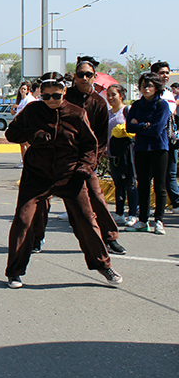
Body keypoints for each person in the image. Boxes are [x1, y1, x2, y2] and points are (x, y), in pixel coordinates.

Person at [4, 72, 121, 288]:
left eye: (55, 96)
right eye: (45, 96)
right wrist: (33, 134)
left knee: (86, 220)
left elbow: (89, 145)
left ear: (64, 92)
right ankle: (14, 272)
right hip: (36, 175)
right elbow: (11, 134)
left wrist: (85, 166)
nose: (50, 100)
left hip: (69, 175)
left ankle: (104, 266)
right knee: (23, 220)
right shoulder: (31, 111)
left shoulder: (77, 114)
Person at [52, 57, 125, 255]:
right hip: (63, 159)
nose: (84, 78)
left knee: (97, 198)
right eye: (80, 74)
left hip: (87, 160)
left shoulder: (99, 103)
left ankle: (110, 237)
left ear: (94, 77)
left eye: (88, 74)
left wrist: (91, 161)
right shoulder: (64, 98)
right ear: (74, 77)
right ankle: (36, 239)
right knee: (44, 200)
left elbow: (101, 138)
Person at [126, 72, 170, 235]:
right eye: (144, 85)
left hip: (159, 148)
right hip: (141, 148)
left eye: (150, 85)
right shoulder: (136, 105)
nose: (146, 89)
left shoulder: (162, 105)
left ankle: (159, 220)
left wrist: (140, 125)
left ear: (157, 87)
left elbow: (157, 129)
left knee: (159, 186)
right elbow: (129, 127)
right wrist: (146, 125)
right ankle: (143, 220)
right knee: (142, 185)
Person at [106, 84, 138, 227]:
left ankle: (132, 214)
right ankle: (119, 213)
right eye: (109, 95)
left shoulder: (128, 111)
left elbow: (135, 130)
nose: (110, 97)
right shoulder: (108, 113)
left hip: (127, 153)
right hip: (113, 154)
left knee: (130, 183)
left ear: (122, 96)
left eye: (114, 94)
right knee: (117, 182)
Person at [150, 61, 179, 209]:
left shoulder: (169, 92)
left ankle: (177, 203)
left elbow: (173, 114)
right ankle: (140, 207)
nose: (166, 75)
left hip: (170, 140)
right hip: (153, 140)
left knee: (170, 174)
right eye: (162, 73)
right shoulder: (149, 92)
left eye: (167, 73)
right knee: (150, 175)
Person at [13, 81, 36, 168]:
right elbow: (13, 112)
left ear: (27, 90)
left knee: (26, 144)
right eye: (21, 89)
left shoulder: (28, 99)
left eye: (24, 89)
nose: (22, 90)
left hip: (26, 125)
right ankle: (24, 161)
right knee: (22, 144)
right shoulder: (20, 100)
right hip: (20, 124)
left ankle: (28, 161)